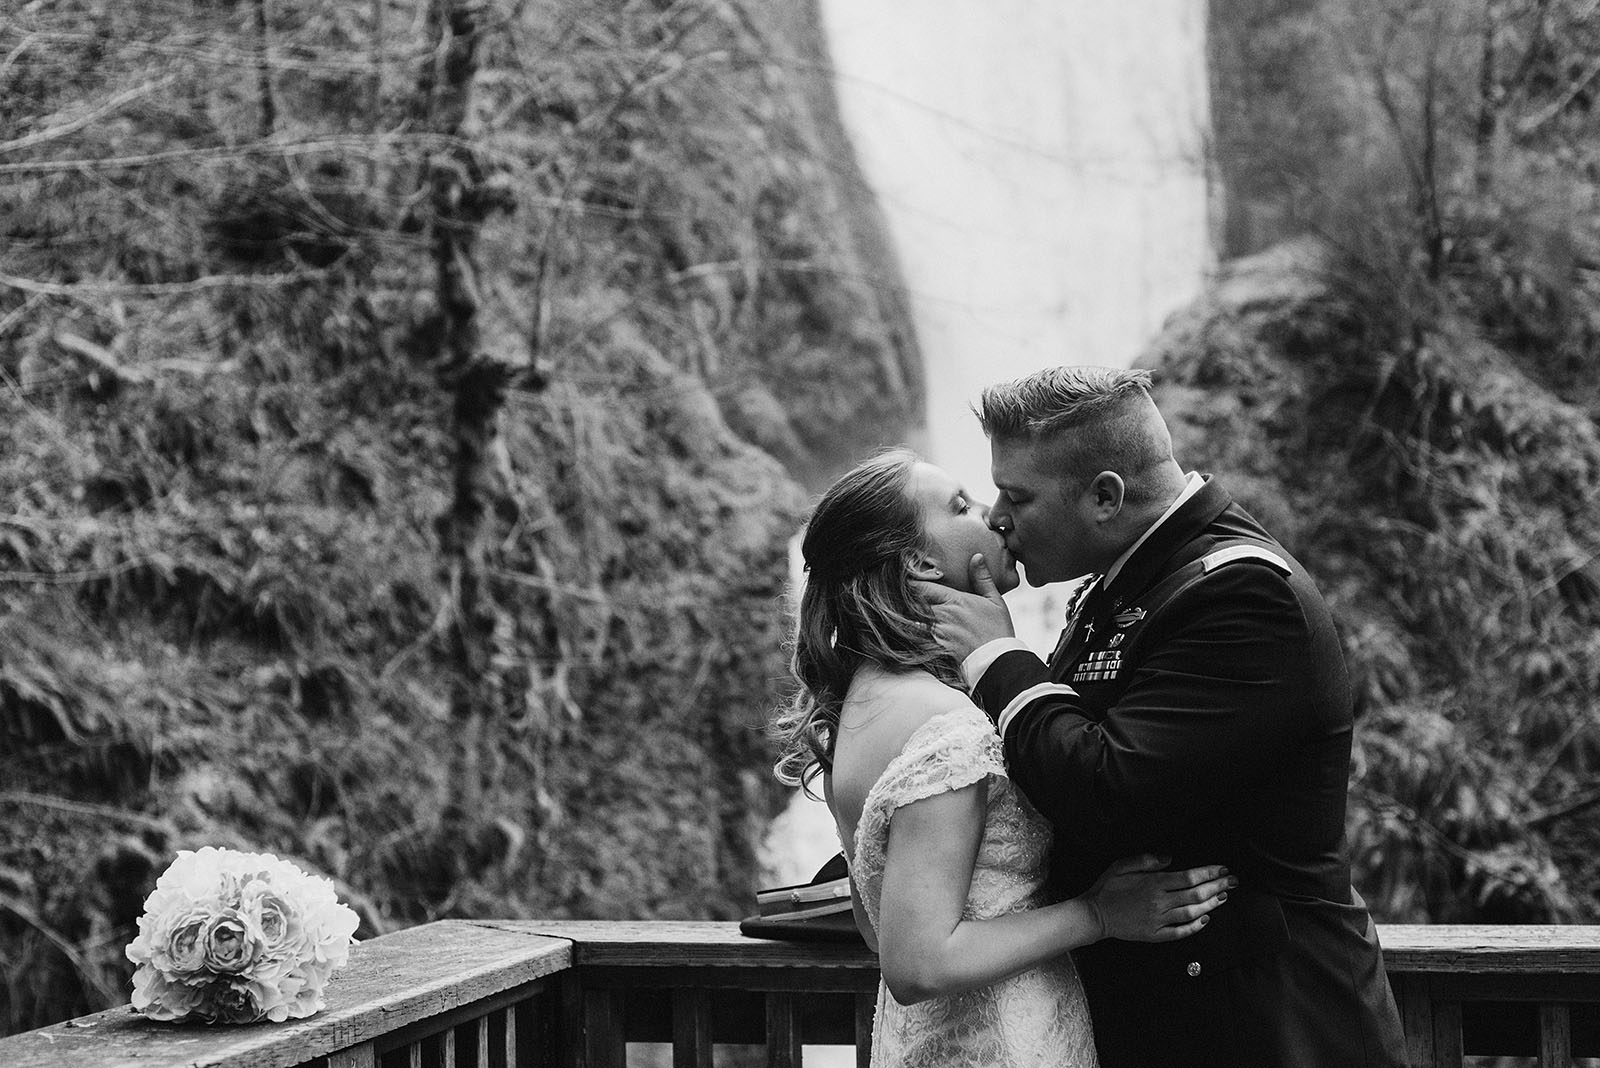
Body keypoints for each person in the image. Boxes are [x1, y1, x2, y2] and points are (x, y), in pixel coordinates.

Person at [919, 366, 1408, 1068]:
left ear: (1106, 497)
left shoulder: (1244, 594)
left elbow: (1108, 790)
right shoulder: (1128, 582)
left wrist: (998, 657)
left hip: (1269, 1031)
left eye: (1016, 496)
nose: (997, 517)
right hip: (1171, 1019)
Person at [770, 447, 1236, 1068]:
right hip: (1005, 1045)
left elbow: (876, 924)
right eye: (962, 506)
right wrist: (1099, 913)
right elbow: (916, 963)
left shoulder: (857, 707)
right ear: (919, 562)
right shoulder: (942, 723)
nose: (993, 517)